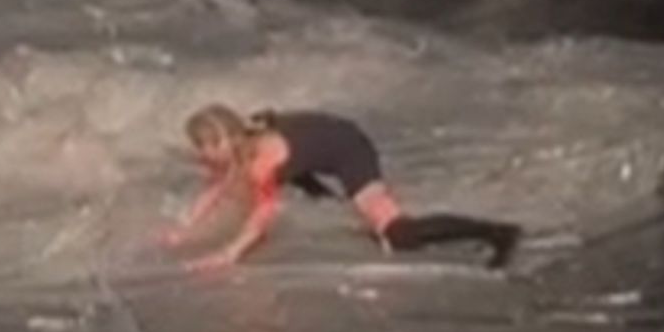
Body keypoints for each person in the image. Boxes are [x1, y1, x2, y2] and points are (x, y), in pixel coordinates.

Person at [163, 106, 521, 272]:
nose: (199, 154)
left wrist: (230, 253)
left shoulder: (261, 162)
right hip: (310, 139)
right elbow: (216, 187)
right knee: (291, 179)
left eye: (203, 146)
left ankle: (497, 232)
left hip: (346, 147)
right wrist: (184, 229)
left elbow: (262, 214)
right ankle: (325, 193)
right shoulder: (239, 145)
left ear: (222, 143)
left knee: (397, 235)